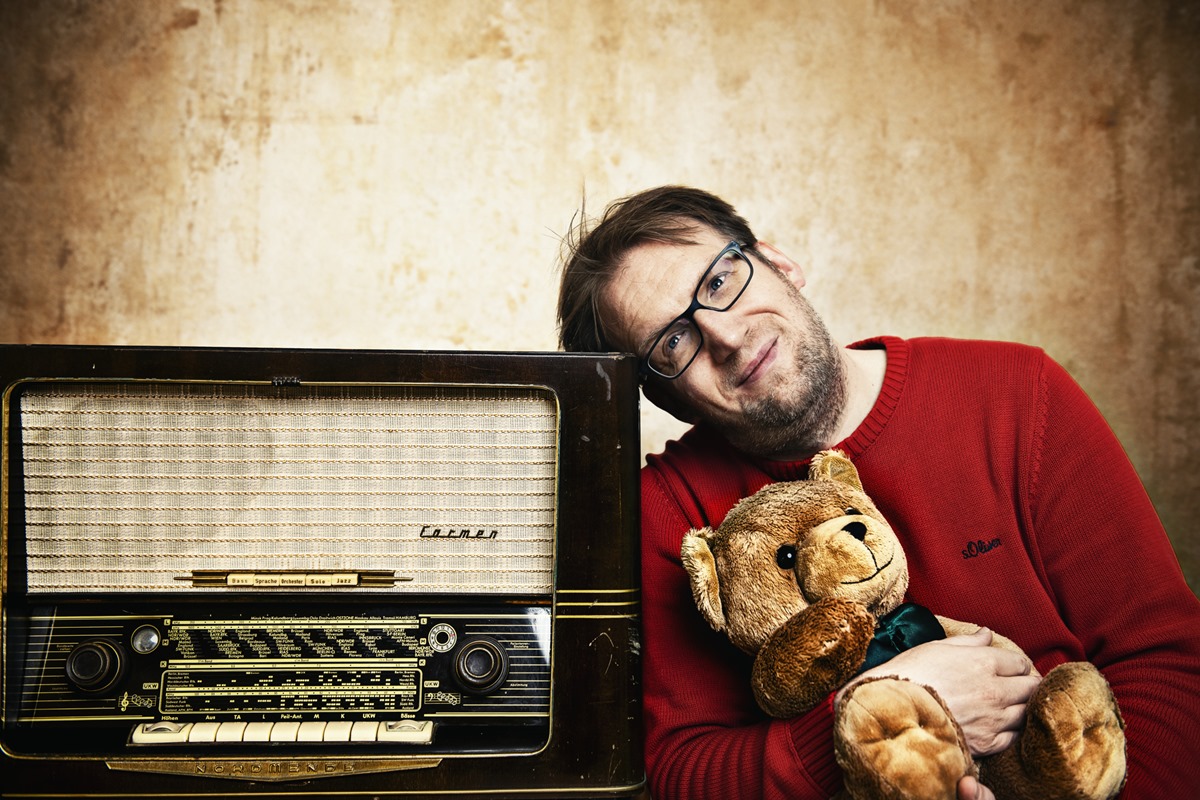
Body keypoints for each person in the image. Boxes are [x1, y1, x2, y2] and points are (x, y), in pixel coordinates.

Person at [556, 186, 1200, 800]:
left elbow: (1167, 667)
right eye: (673, 342)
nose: (724, 336)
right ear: (662, 395)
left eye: (720, 282)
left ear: (778, 262)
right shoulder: (669, 514)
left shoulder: (1017, 393)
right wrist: (882, 707)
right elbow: (680, 773)